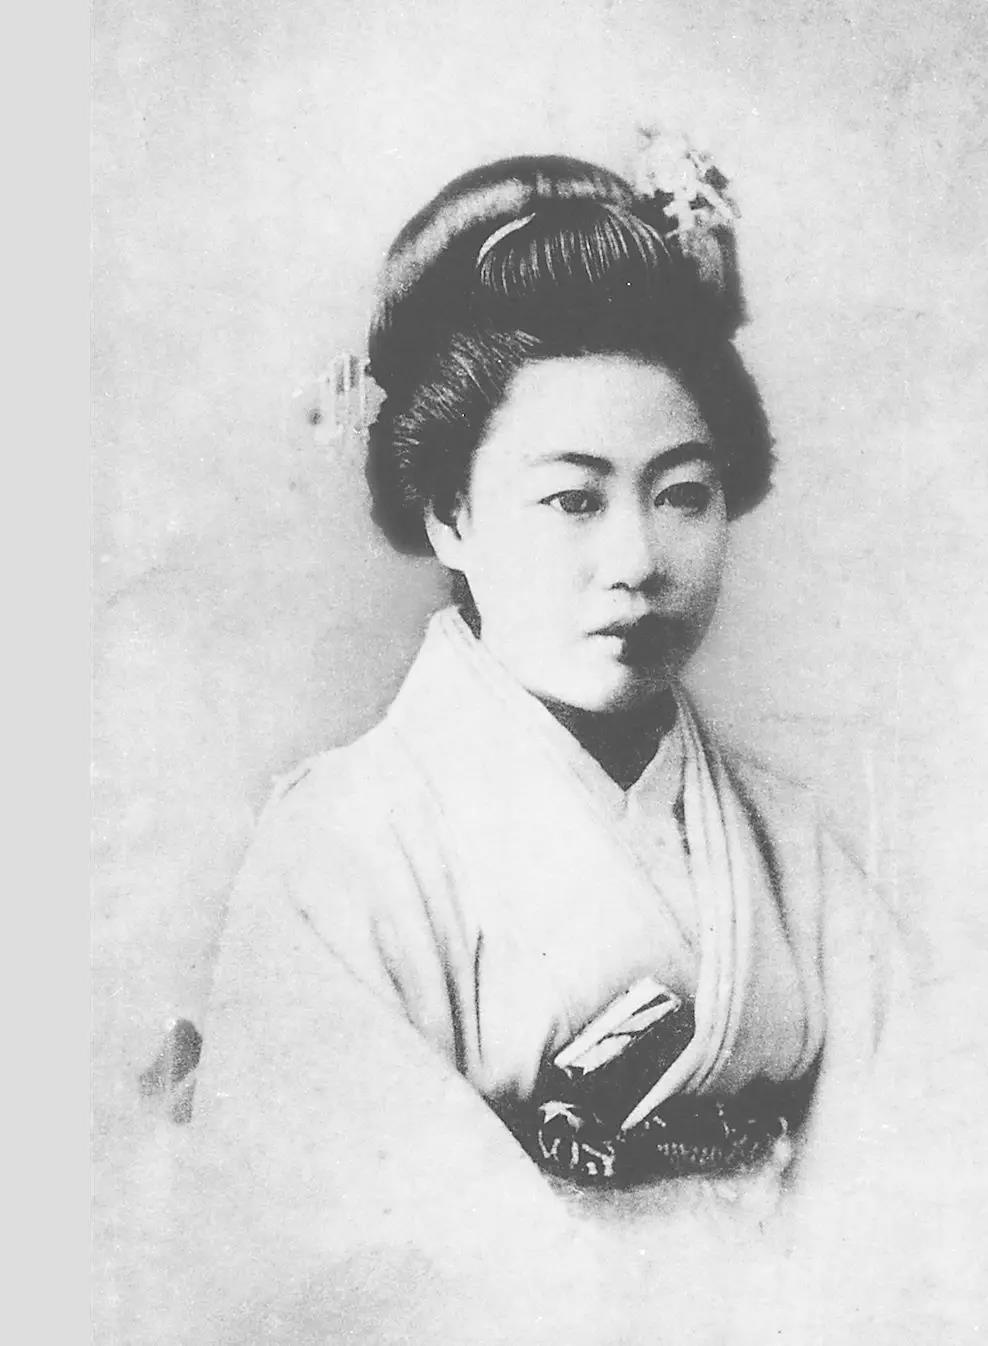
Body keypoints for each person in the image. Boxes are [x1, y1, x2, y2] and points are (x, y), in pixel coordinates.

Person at [182, 150, 906, 1343]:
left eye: (683, 492)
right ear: (449, 515)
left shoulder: (790, 847)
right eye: (573, 499)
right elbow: (344, 1252)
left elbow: (922, 1188)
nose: (637, 559)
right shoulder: (345, 846)